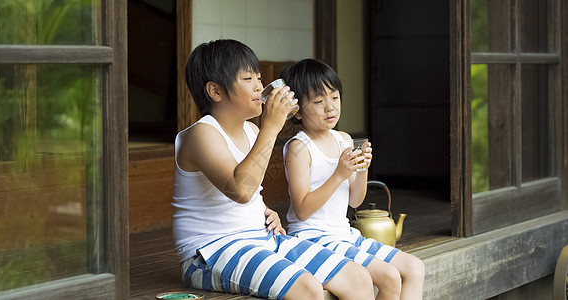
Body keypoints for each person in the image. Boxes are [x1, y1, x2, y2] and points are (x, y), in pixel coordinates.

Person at [172, 39, 375, 300]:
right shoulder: (202, 133)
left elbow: (250, 193)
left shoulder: (251, 129)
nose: (260, 85)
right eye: (248, 78)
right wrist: (272, 126)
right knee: (307, 288)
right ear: (215, 91)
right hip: (211, 252)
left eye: (258, 76)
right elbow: (240, 190)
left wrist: (264, 210)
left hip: (262, 238)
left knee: (358, 278)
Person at [281, 58, 426, 300]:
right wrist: (339, 173)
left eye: (334, 97)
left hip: (344, 234)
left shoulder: (344, 140)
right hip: (312, 237)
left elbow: (355, 202)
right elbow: (303, 210)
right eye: (318, 101)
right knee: (389, 277)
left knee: (414, 268)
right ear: (297, 112)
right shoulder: (298, 148)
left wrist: (362, 169)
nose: (330, 107)